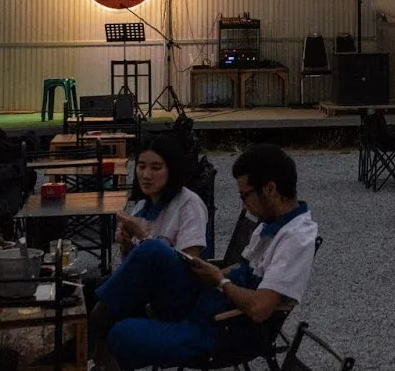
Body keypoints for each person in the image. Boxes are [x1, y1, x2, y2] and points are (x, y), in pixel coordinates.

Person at [91, 143, 317, 371]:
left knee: (120, 333)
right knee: (153, 252)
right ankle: (92, 324)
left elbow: (260, 308)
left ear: (270, 189)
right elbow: (243, 268)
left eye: (245, 195)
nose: (243, 204)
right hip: (205, 303)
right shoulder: (271, 224)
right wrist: (206, 272)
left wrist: (219, 279)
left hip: (220, 330)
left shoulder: (295, 238)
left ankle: (89, 331)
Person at [117, 136, 209, 258]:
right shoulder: (141, 207)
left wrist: (144, 237)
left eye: (156, 168)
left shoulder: (189, 205)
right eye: (141, 166)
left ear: (172, 170)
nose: (146, 175)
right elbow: (130, 264)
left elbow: (189, 266)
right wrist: (126, 244)